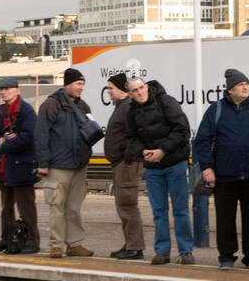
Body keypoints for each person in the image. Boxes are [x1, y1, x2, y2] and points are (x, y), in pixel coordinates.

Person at [194, 68, 249, 268]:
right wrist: (207, 167)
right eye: (240, 85)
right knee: (225, 219)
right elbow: (202, 140)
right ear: (230, 90)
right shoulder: (216, 110)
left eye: (247, 84)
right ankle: (226, 256)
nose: (245, 87)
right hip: (224, 175)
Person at [125, 77, 194, 265]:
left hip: (174, 162)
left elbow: (181, 129)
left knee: (180, 210)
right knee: (159, 211)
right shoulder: (132, 112)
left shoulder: (166, 101)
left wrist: (163, 150)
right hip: (153, 167)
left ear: (146, 86)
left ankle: (186, 250)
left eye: (141, 88)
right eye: (135, 90)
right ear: (130, 94)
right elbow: (132, 137)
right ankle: (162, 251)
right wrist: (143, 151)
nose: (139, 92)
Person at [36, 68, 95, 258]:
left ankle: (75, 243)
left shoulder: (84, 106)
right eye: (78, 84)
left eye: (83, 85)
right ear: (67, 84)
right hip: (57, 166)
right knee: (57, 206)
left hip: (78, 165)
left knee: (74, 207)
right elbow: (41, 135)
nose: (81, 88)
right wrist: (43, 163)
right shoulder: (51, 105)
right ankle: (56, 245)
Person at [0, 78, 40, 254]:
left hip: (22, 166)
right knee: (6, 207)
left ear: (17, 90)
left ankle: (32, 241)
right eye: (1, 89)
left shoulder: (27, 111)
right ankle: (6, 239)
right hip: (5, 166)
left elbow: (28, 138)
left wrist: (4, 144)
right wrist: (0, 140)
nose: (3, 92)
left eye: (7, 88)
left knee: (26, 206)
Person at [104, 73, 144, 260]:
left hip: (127, 164)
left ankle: (135, 246)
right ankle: (130, 242)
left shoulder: (127, 107)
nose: (108, 91)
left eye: (111, 88)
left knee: (127, 204)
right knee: (123, 204)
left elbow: (134, 135)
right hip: (122, 163)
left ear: (121, 89)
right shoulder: (122, 106)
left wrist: (126, 158)